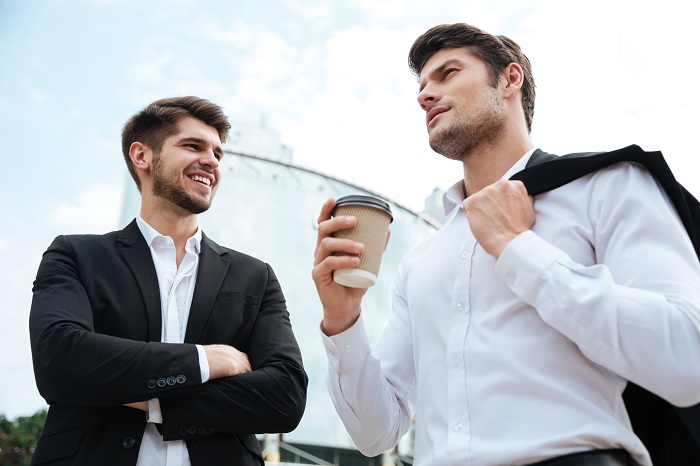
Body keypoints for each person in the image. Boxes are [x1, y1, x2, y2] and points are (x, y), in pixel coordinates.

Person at [311, 23, 700, 466]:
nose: (425, 95)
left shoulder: (608, 186)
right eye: (422, 86)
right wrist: (342, 320)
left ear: (510, 79)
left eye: (448, 73)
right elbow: (375, 432)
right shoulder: (421, 262)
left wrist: (518, 249)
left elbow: (687, 359)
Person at [29, 96, 308, 466]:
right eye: (193, 146)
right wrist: (205, 361)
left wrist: (139, 394)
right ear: (142, 156)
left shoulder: (256, 277)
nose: (211, 160)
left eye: (218, 153)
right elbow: (59, 362)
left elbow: (285, 398)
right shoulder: (75, 255)